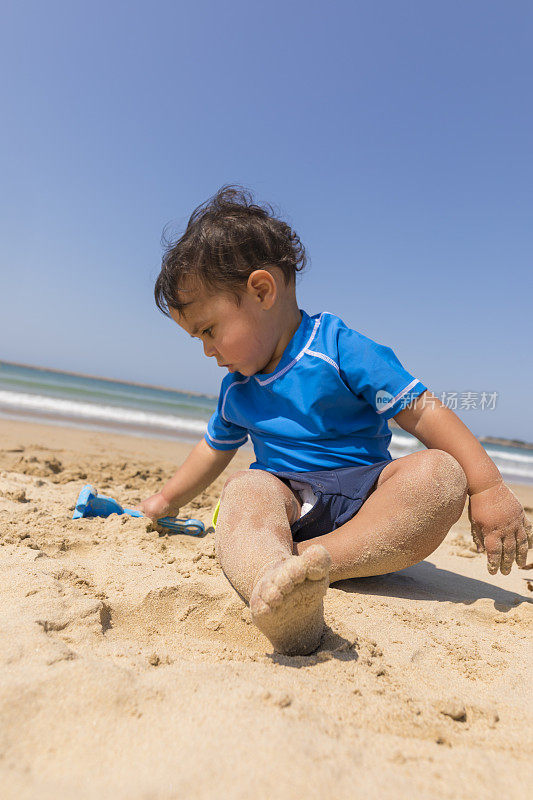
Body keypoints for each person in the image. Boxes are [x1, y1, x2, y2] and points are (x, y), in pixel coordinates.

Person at [138, 186, 531, 656]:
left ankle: (308, 566)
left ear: (261, 291)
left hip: (368, 514)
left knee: (440, 474)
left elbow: (424, 412)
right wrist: (166, 498)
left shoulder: (340, 348)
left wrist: (485, 487)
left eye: (209, 330)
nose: (208, 349)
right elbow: (211, 448)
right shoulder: (237, 391)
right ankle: (277, 589)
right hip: (288, 504)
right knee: (246, 490)